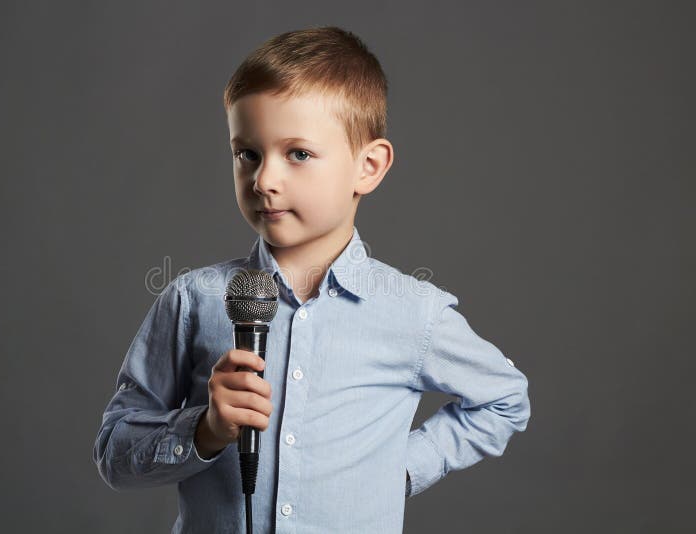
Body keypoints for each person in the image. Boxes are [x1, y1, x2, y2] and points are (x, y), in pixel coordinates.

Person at [93, 26, 531, 533]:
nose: (263, 180)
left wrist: (398, 470)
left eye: (298, 153)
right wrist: (205, 430)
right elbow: (114, 450)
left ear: (368, 167)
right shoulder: (193, 301)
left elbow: (504, 399)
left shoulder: (414, 313)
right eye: (247, 154)